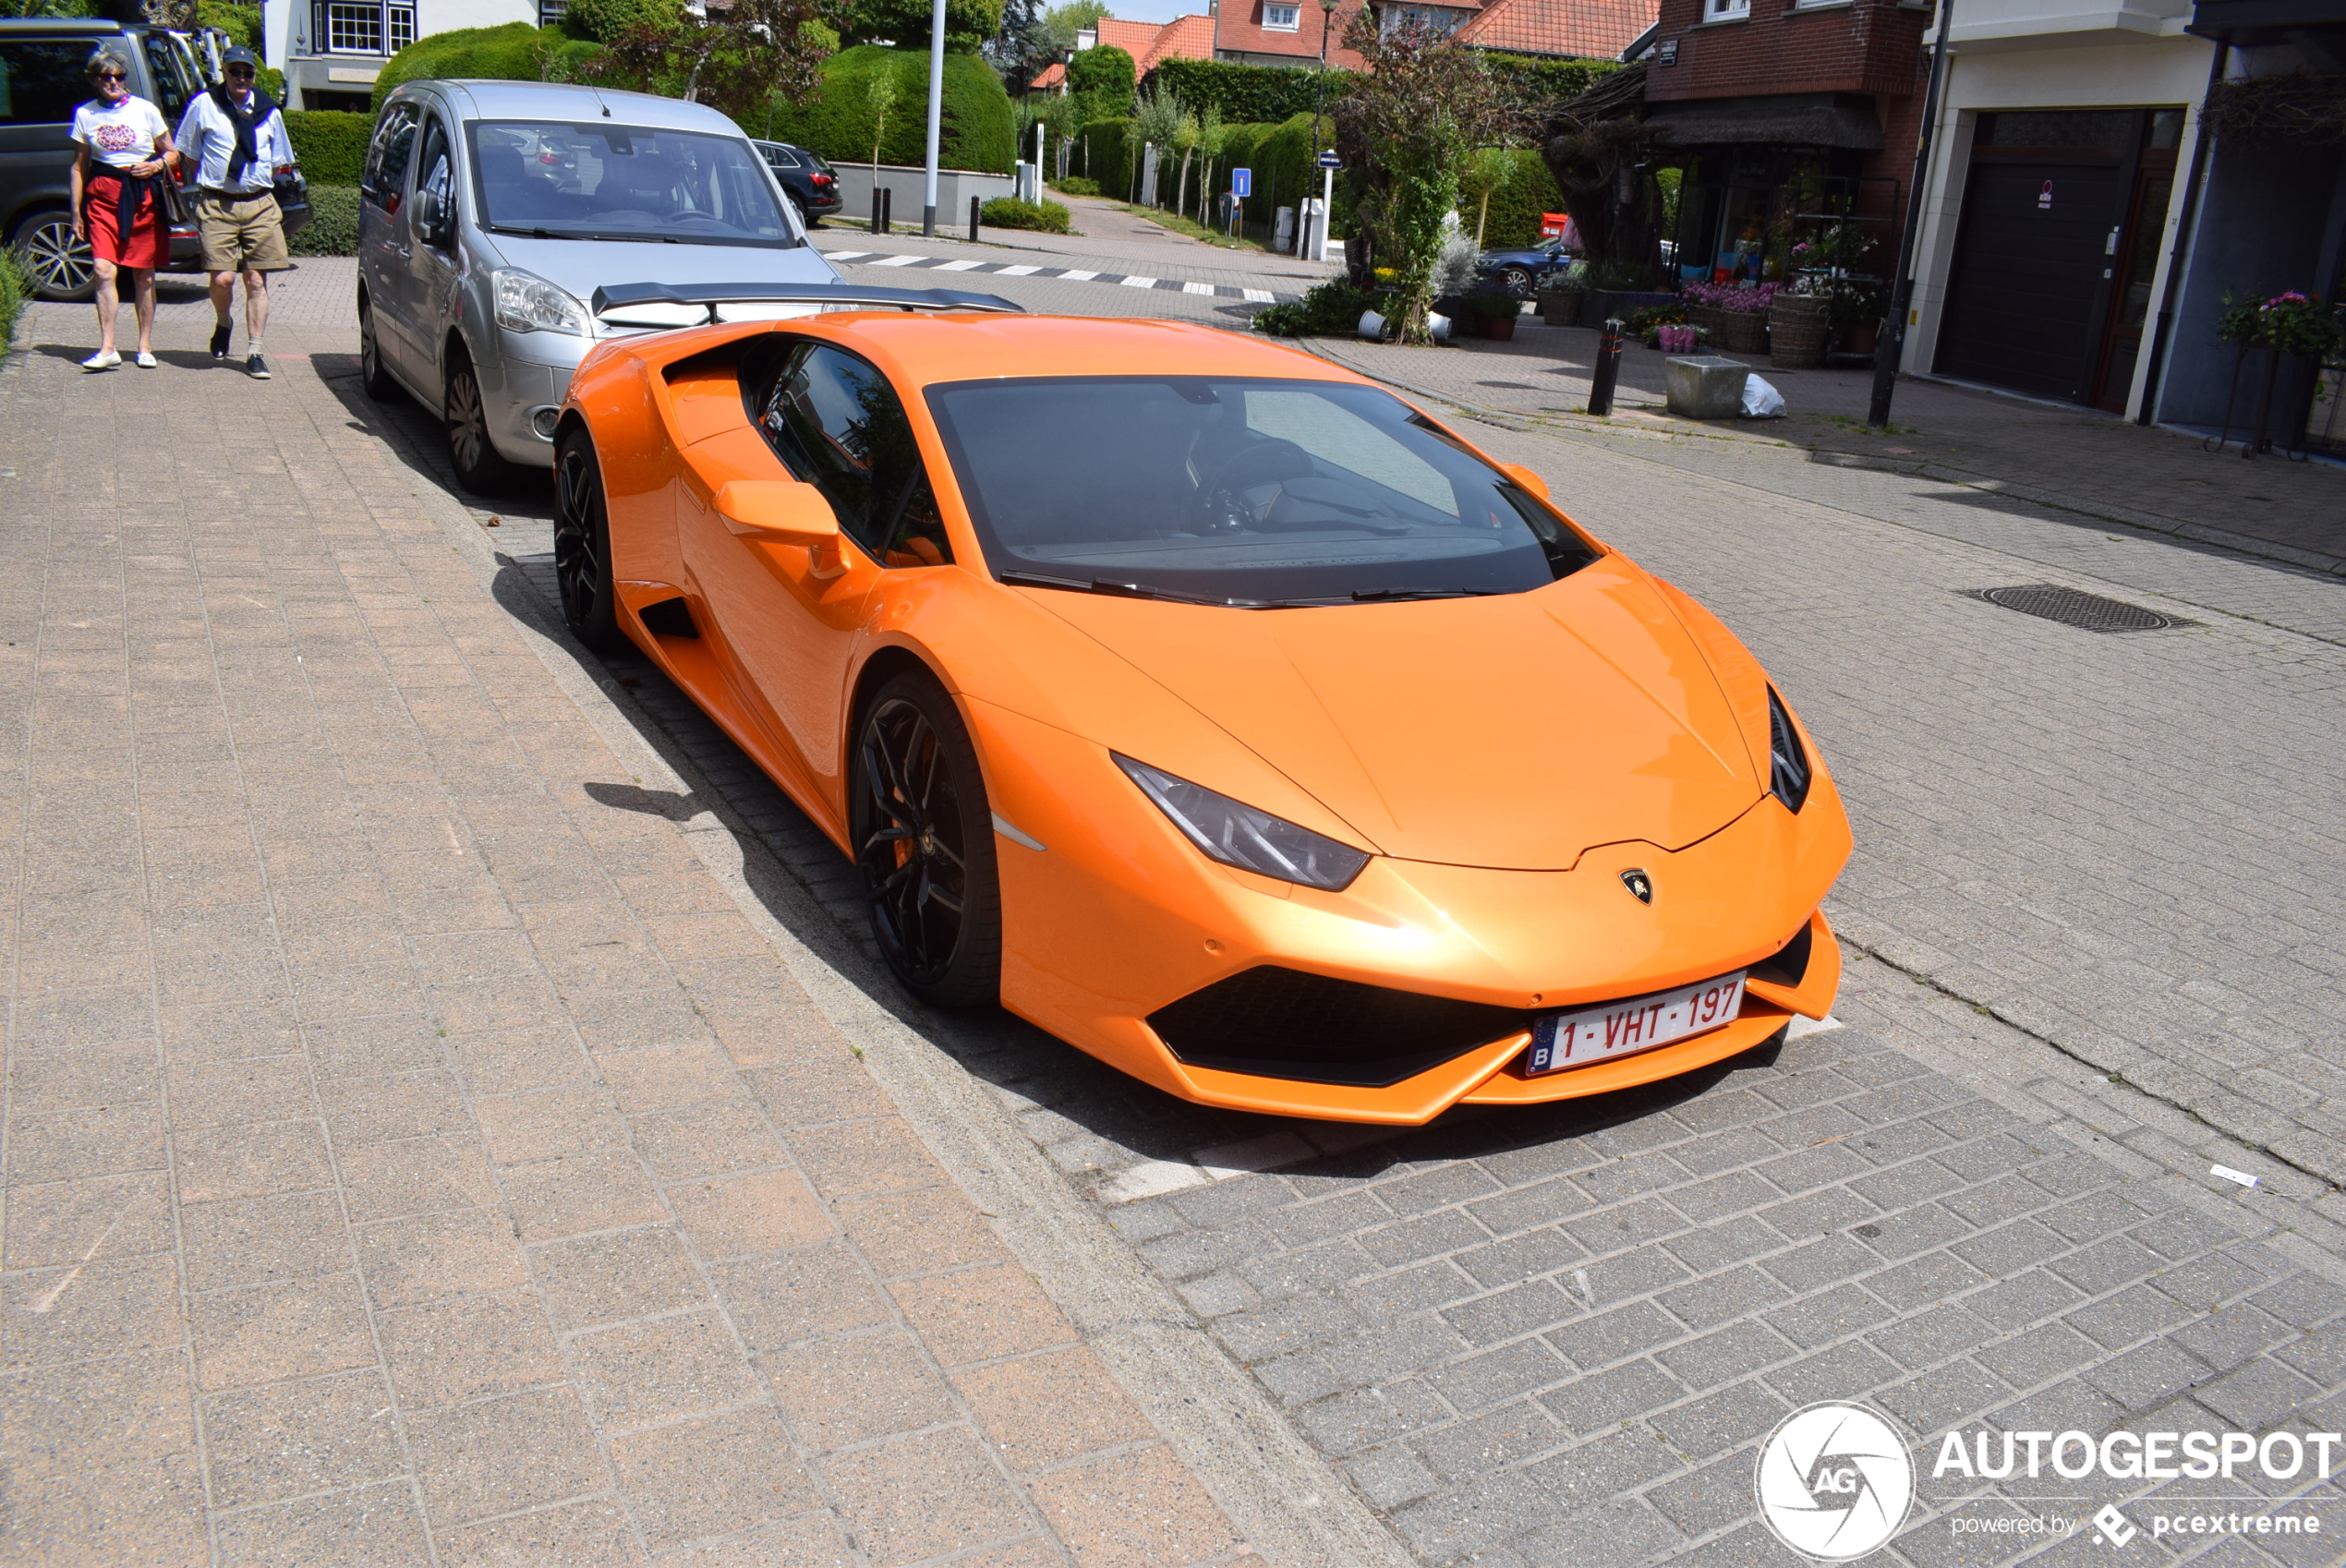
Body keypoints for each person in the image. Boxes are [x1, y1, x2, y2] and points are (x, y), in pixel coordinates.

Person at [173, 45, 295, 380]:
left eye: (248, 73)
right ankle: (224, 322)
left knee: (256, 280)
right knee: (222, 278)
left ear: (254, 76)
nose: (241, 78)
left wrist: (256, 187)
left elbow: (280, 160)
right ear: (223, 73)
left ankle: (255, 351)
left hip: (259, 204)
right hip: (218, 202)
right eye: (234, 71)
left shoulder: (270, 111)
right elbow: (190, 154)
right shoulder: (204, 105)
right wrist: (211, 186)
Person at [67, 49, 175, 371]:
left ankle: (144, 346)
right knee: (103, 271)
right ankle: (108, 347)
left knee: (144, 275)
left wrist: (155, 165)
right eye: (105, 76)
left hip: (141, 195)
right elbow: (78, 166)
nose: (113, 82)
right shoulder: (85, 114)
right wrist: (76, 213)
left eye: (118, 76)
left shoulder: (146, 110)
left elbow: (172, 153)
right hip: (101, 196)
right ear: (94, 80)